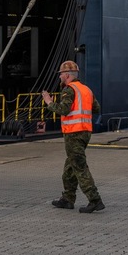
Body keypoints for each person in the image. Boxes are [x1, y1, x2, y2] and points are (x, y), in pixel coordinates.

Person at [41, 60, 104, 213]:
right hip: (85, 132)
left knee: (79, 167)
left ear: (67, 75)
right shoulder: (86, 89)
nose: (60, 77)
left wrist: (49, 102)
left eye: (61, 74)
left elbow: (64, 110)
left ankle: (95, 200)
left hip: (73, 133)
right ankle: (68, 199)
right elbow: (96, 108)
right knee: (69, 168)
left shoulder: (69, 90)